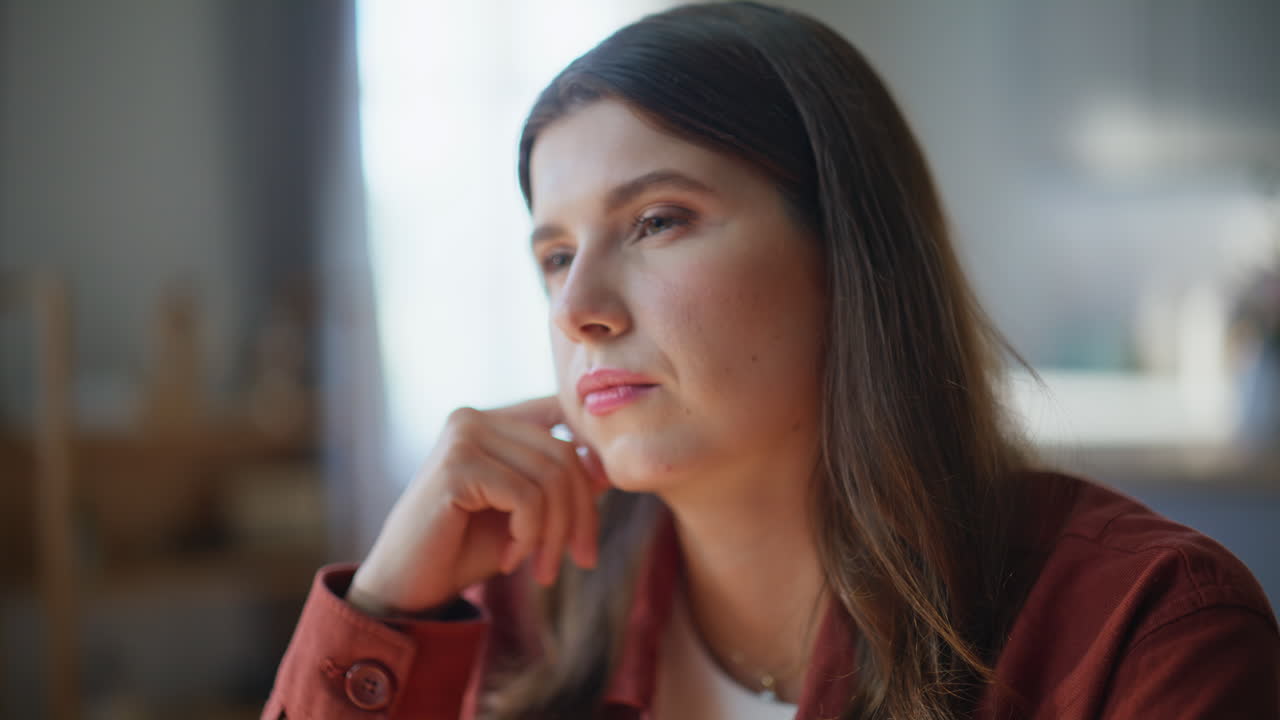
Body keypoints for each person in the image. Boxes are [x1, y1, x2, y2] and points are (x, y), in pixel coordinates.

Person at [261, 3, 1280, 719]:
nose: (577, 311)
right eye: (554, 256)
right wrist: (384, 610)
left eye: (656, 221)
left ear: (848, 253)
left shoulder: (1141, 634)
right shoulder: (513, 616)